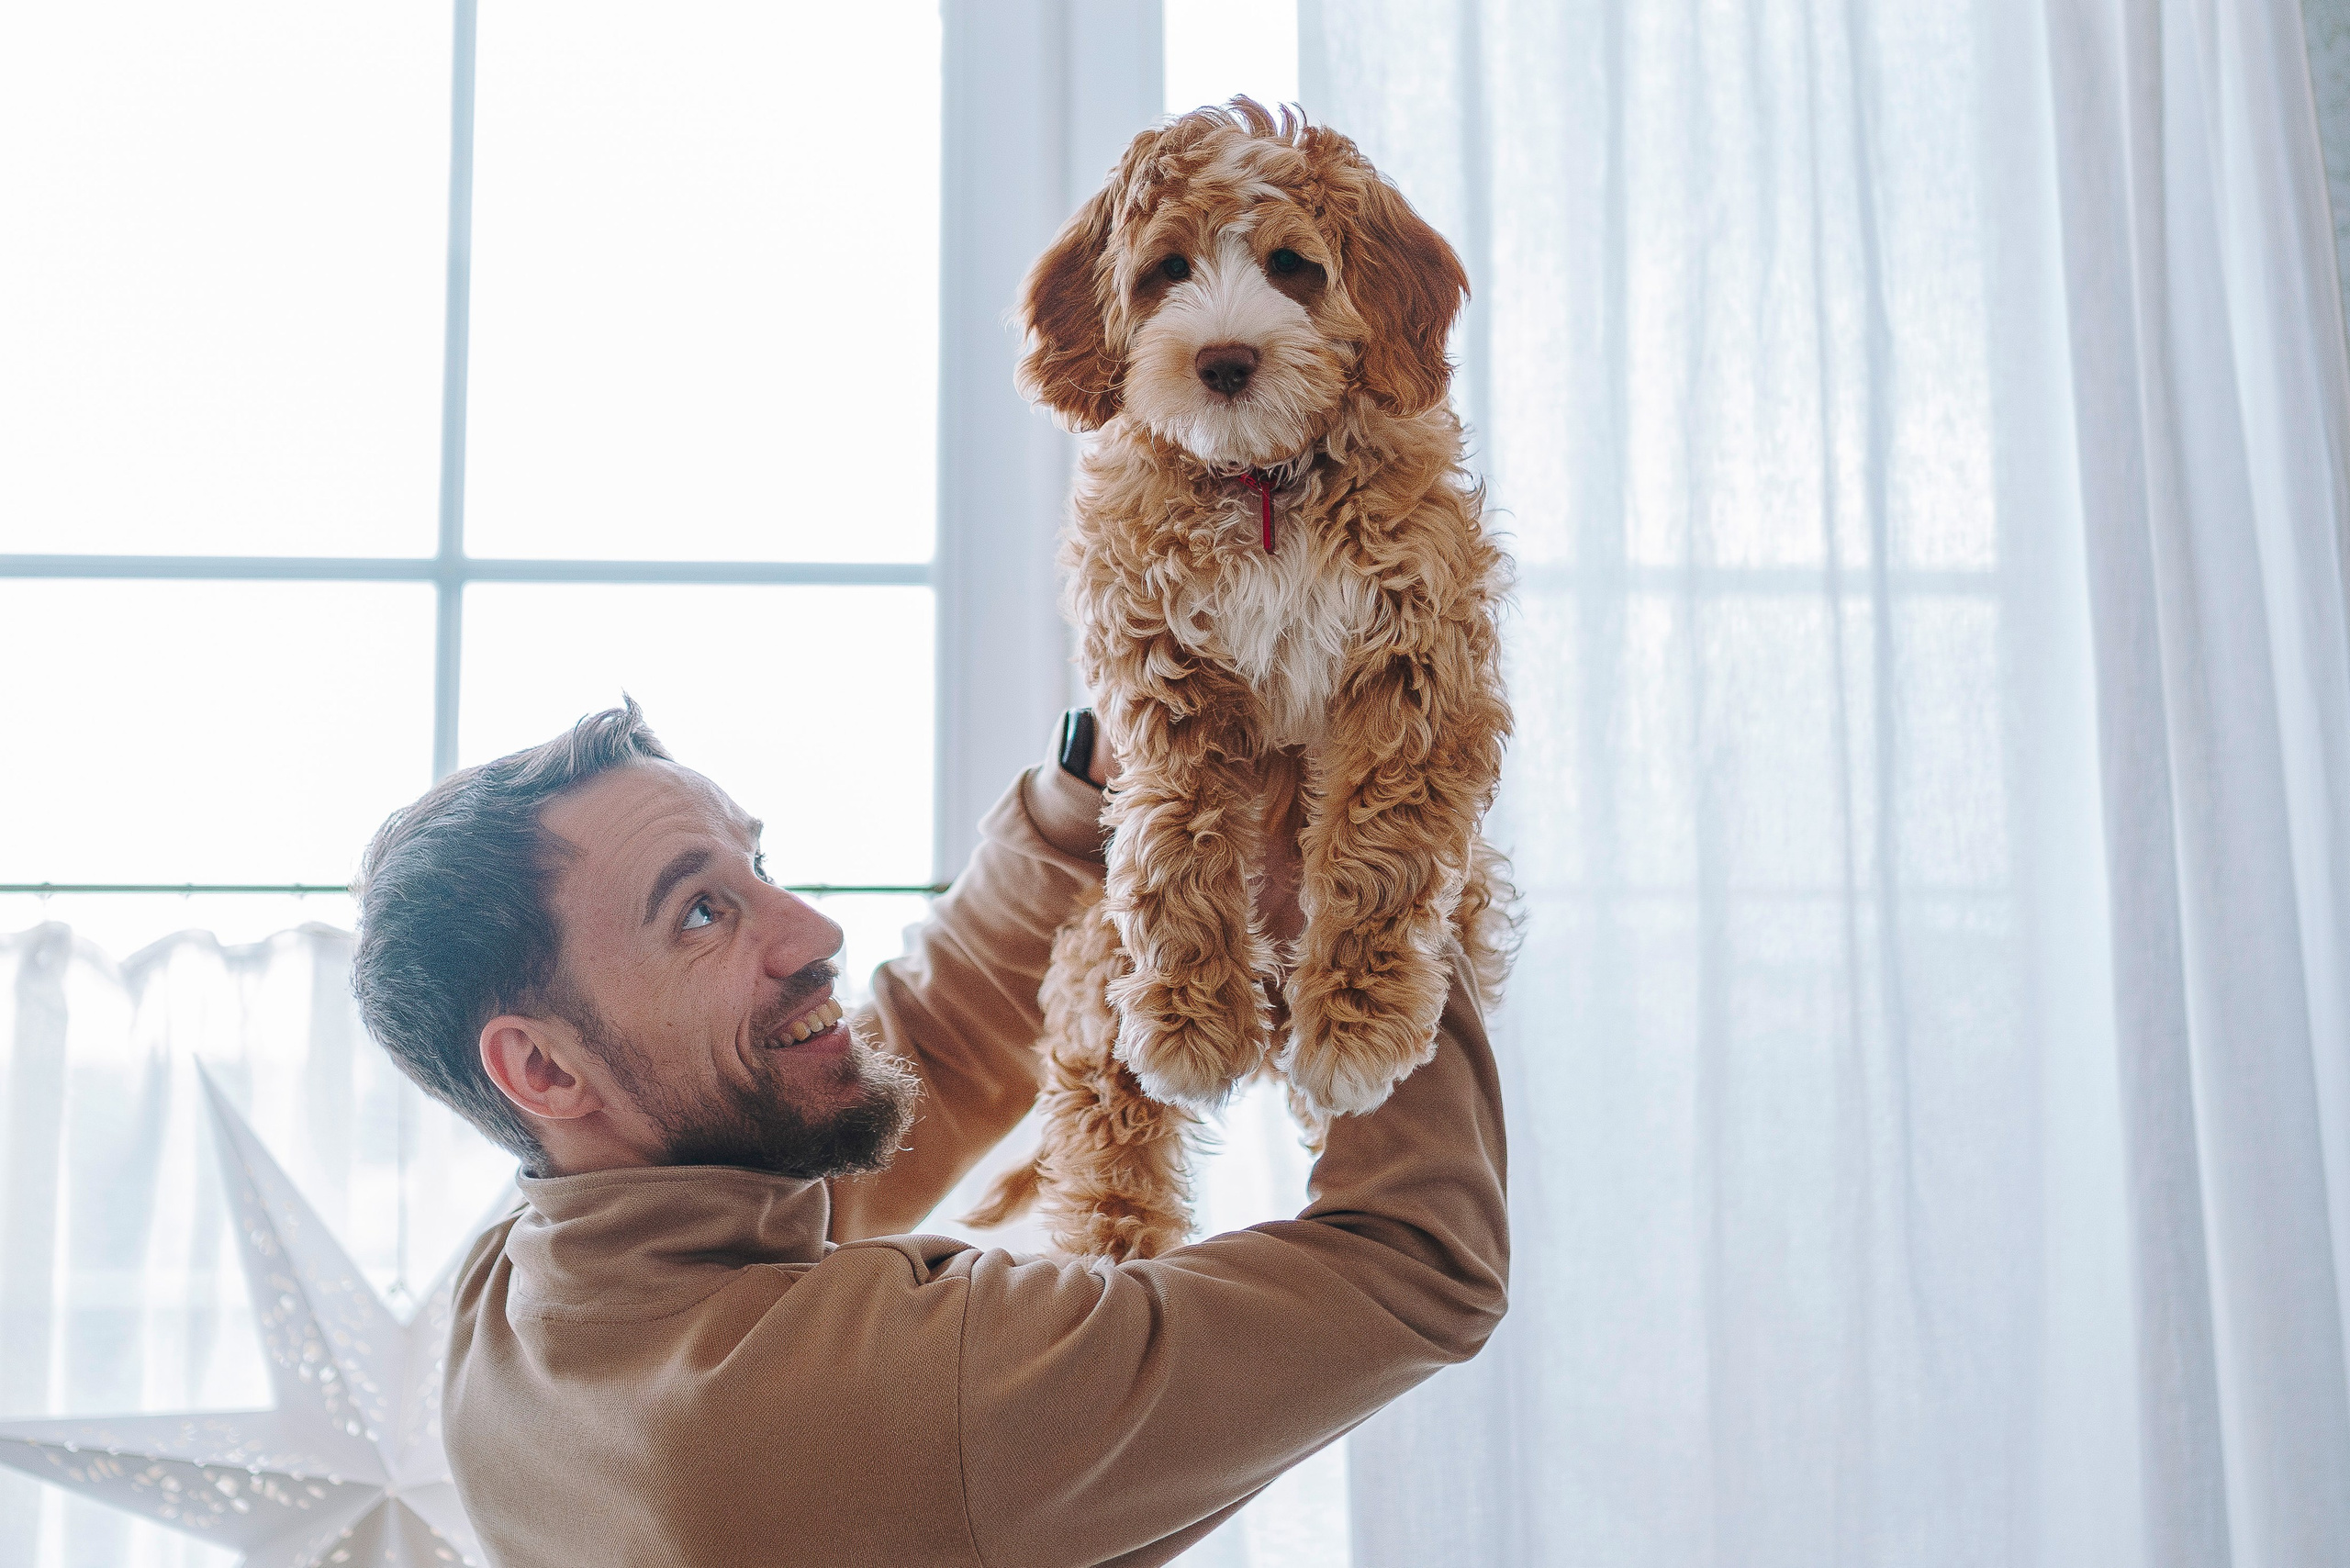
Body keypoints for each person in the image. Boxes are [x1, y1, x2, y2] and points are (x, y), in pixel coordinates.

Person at [352, 699, 1508, 1568]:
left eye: (760, 867)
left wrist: (1086, 783)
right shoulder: (878, 1401)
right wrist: (1362, 894)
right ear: (541, 1066)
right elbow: (1415, 1268)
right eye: (701, 910)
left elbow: (927, 1054)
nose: (813, 931)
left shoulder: (514, 1290)